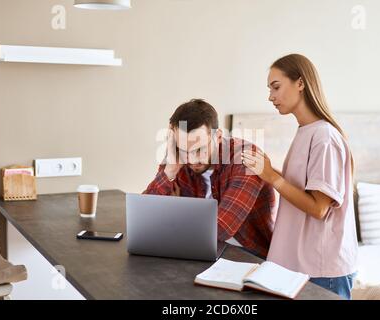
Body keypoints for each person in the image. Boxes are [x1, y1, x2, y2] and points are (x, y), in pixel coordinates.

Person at [242, 54, 358, 299]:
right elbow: (302, 189)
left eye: (276, 87)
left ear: (300, 83)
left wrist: (273, 177)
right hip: (297, 267)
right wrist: (270, 173)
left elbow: (318, 208)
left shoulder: (324, 137)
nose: (270, 96)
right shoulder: (307, 131)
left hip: (321, 271)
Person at [144, 99, 275, 259]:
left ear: (218, 137)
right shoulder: (178, 156)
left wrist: (169, 222)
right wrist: (170, 170)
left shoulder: (246, 158)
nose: (192, 159)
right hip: (196, 247)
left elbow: (221, 227)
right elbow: (145, 217)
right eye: (185, 150)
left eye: (200, 149)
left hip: (247, 253)